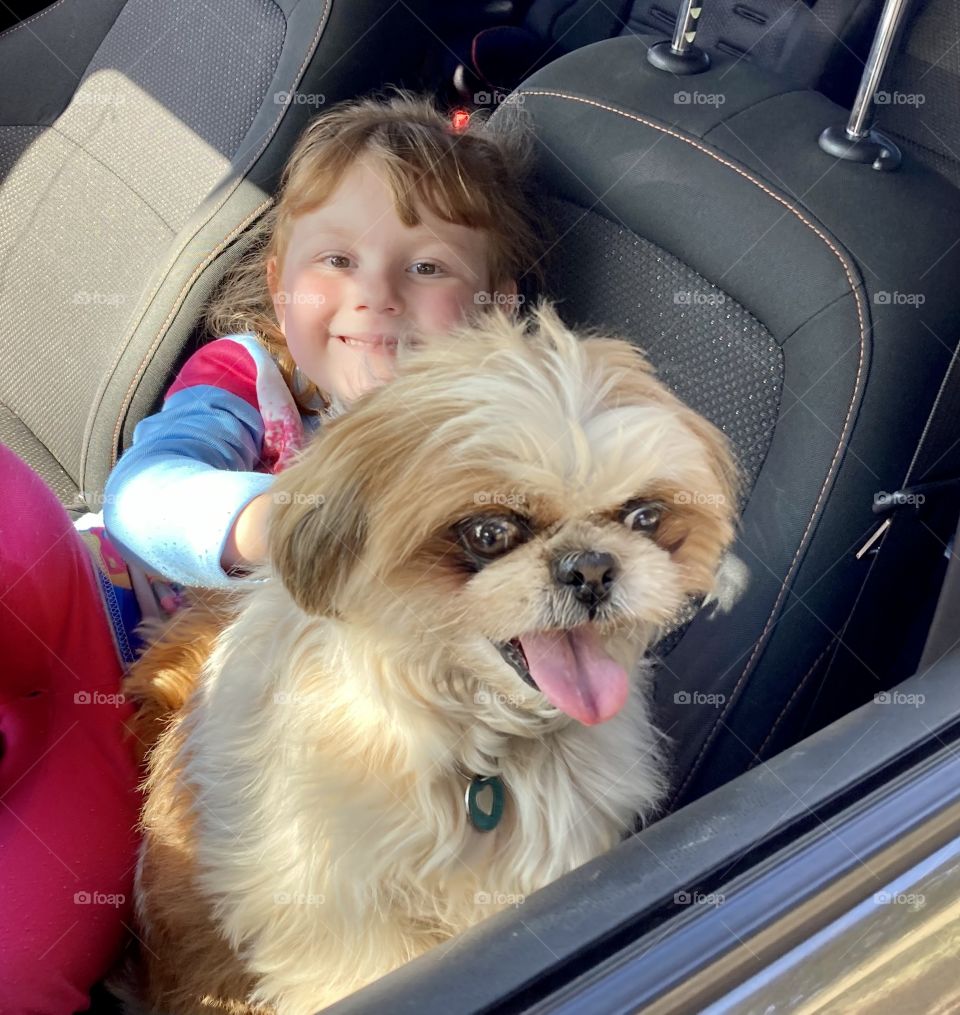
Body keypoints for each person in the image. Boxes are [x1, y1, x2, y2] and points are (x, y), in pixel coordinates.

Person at [0, 89, 543, 1013]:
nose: (376, 292)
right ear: (279, 276)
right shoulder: (247, 380)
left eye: (426, 266)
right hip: (85, 612)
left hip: (130, 732)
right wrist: (291, 518)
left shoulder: (493, 456)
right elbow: (143, 499)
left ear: (499, 307)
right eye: (338, 259)